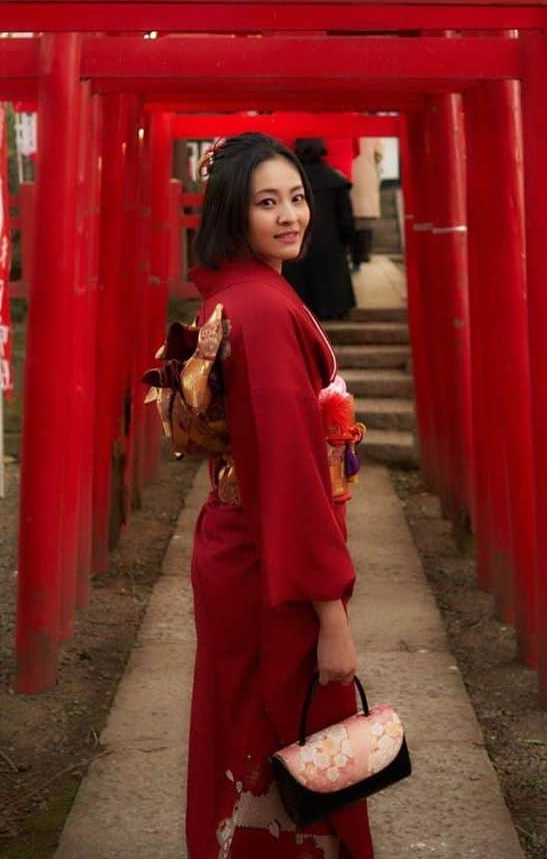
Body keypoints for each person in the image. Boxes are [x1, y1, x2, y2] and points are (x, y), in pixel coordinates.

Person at [185, 132, 372, 859]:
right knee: (289, 741)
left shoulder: (250, 294)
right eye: (268, 203)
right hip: (274, 565)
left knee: (253, 733)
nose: (291, 215)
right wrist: (331, 612)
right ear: (234, 213)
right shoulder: (262, 311)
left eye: (296, 198)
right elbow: (292, 472)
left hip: (249, 546)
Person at [282, 137, 356, 320]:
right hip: (330, 245)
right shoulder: (336, 181)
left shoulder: (289, 182)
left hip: (298, 242)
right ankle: (335, 310)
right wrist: (346, 240)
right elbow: (346, 219)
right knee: (332, 283)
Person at [348, 136, 384, 271]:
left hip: (349, 172)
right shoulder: (373, 134)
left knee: (350, 218)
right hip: (367, 176)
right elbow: (379, 155)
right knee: (364, 222)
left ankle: (354, 257)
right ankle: (361, 257)